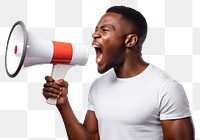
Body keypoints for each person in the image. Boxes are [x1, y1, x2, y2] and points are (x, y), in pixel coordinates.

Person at [43, 6, 195, 140]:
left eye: (105, 30)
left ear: (130, 40)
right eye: (96, 29)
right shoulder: (98, 86)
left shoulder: (166, 88)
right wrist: (63, 105)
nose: (94, 35)